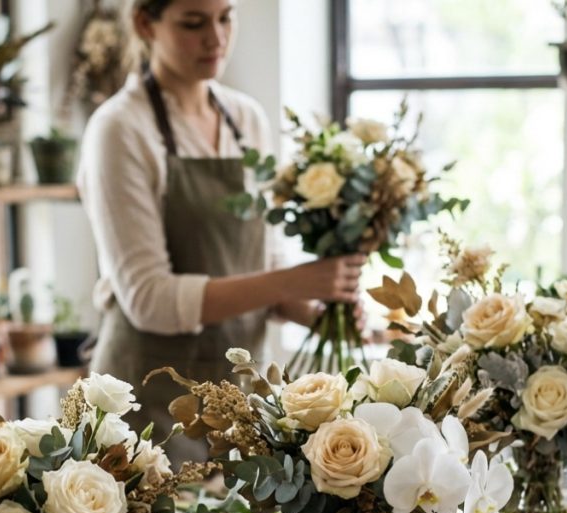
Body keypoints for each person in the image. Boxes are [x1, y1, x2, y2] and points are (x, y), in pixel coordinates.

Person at [77, 0, 365, 461]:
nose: (216, 38)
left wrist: (317, 311)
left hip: (237, 399)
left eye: (226, 17)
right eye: (193, 23)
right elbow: (149, 299)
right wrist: (294, 281)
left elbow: (263, 261)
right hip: (147, 405)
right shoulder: (120, 128)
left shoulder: (246, 120)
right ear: (145, 23)